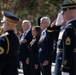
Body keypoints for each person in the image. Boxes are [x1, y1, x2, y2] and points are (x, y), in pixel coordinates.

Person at [55, 2, 76, 75]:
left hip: (70, 66)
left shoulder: (69, 28)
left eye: (63, 12)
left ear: (69, 13)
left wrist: (65, 68)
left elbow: (68, 50)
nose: (62, 15)